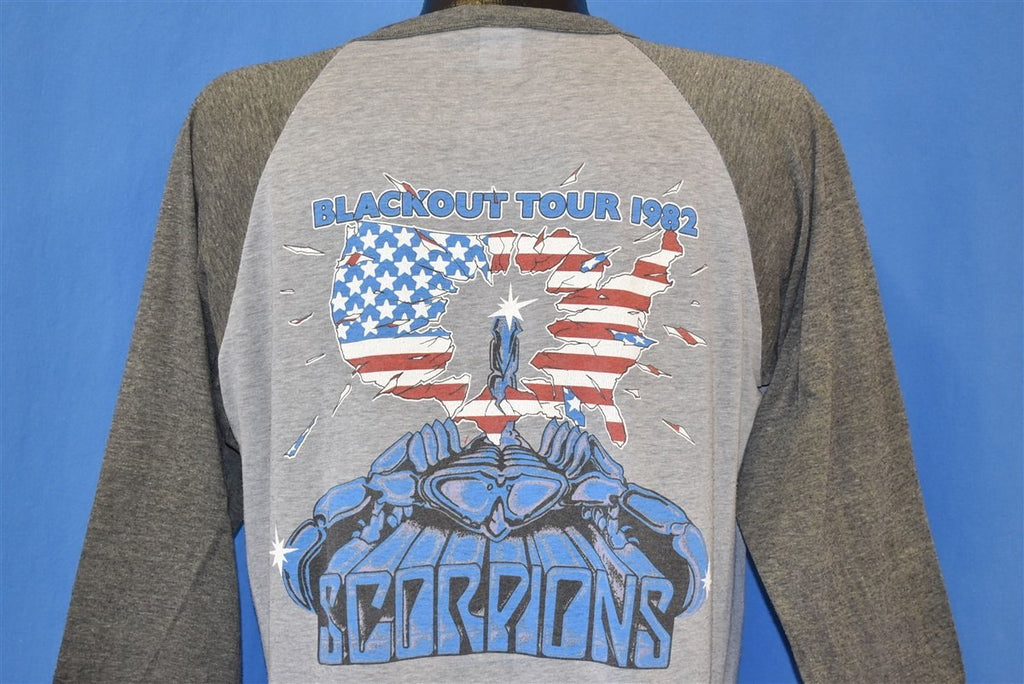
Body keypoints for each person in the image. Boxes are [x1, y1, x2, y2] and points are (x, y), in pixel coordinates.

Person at [56, 2, 964, 681]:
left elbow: (845, 530)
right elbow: (164, 516)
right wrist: (396, 489)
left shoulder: (762, 128)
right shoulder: (242, 128)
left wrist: (604, 493)